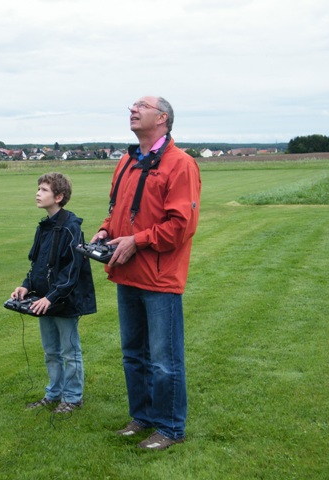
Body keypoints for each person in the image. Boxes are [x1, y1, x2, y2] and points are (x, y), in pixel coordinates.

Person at [91, 96, 201, 450]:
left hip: (159, 279)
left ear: (162, 117)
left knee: (165, 361)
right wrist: (105, 230)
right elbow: (117, 211)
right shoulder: (127, 160)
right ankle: (142, 418)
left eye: (142, 106)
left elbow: (181, 226)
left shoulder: (180, 164)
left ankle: (170, 428)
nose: (132, 110)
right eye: (132, 107)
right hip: (126, 273)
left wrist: (137, 240)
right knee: (133, 354)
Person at [12, 172, 97, 414]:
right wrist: (26, 285)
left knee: (69, 352)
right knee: (51, 351)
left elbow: (71, 271)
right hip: (43, 300)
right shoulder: (44, 227)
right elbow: (38, 264)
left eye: (44, 190)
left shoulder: (71, 228)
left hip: (64, 301)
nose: (38, 193)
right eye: (38, 188)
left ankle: (72, 398)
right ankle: (53, 394)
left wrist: (51, 298)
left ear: (58, 197)